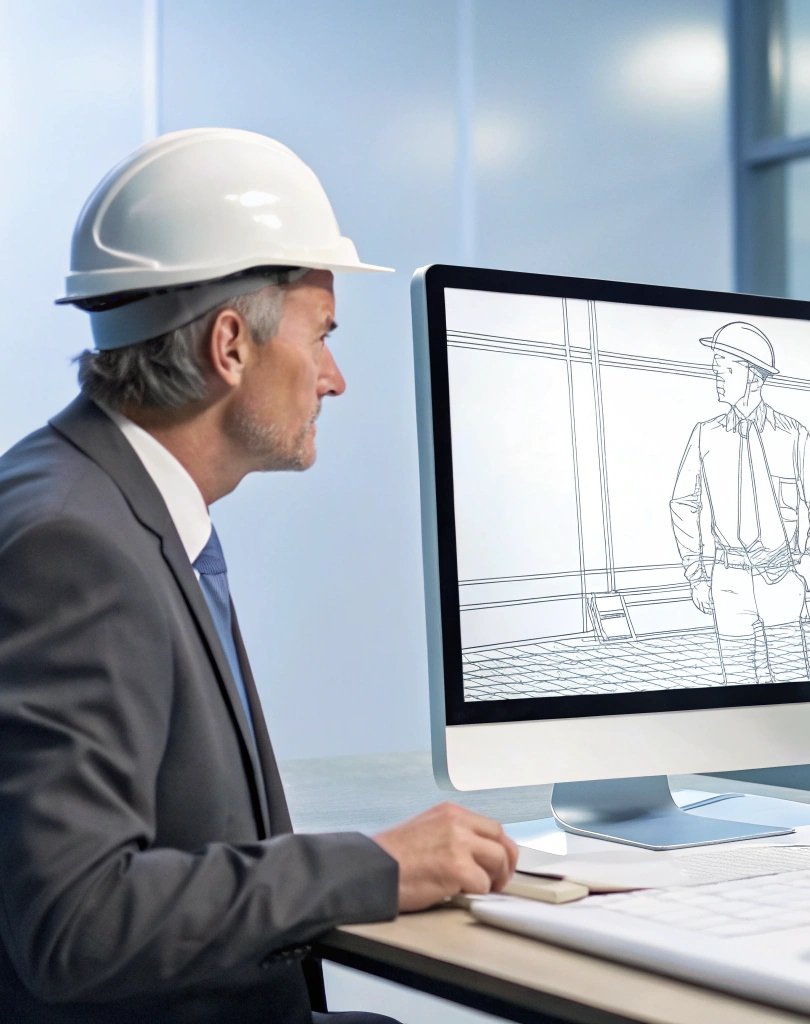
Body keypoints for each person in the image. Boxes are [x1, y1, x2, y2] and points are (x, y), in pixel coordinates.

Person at [0, 128, 520, 1024]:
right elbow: (74, 921)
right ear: (230, 347)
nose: (335, 378)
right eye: (322, 336)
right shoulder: (72, 546)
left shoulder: (108, 499)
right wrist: (373, 867)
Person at [670, 322, 810, 685]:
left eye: (726, 368)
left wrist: (807, 570)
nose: (716, 375)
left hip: (782, 578)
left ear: (754, 379)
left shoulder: (793, 435)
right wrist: (696, 576)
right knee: (738, 686)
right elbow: (683, 503)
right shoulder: (705, 435)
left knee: (793, 682)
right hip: (727, 581)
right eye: (716, 367)